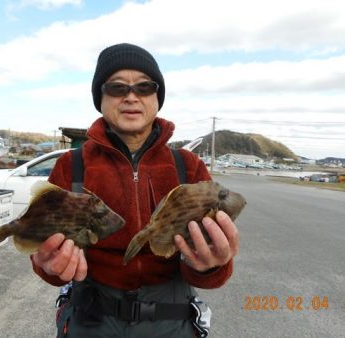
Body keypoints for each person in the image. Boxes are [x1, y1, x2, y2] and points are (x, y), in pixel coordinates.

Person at [31, 43, 239, 337]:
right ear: (100, 98)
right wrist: (48, 266)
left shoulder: (189, 167)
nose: (131, 96)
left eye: (144, 87)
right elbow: (44, 254)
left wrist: (211, 266)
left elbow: (207, 270)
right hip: (91, 319)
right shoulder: (70, 165)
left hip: (172, 320)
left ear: (157, 98)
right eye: (116, 88)